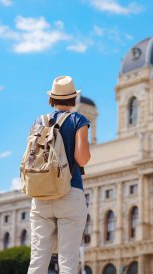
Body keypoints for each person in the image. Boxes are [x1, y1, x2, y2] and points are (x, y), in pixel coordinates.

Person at [27, 75, 91, 274]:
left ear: (52, 99)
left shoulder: (40, 121)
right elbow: (82, 159)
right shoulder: (78, 120)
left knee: (38, 258)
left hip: (41, 195)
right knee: (67, 258)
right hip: (70, 193)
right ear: (73, 99)